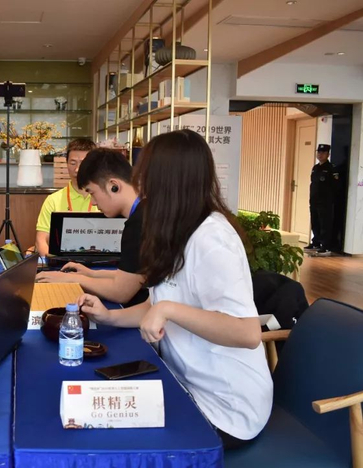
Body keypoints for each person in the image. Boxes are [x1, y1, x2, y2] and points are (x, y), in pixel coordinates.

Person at [77, 130, 272, 449]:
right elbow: (159, 301)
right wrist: (109, 317)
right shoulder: (175, 231)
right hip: (183, 384)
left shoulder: (212, 239)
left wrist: (168, 310)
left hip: (225, 408)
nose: (140, 188)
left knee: (109, 437)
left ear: (167, 182)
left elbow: (247, 333)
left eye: (145, 178)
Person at [36, 148, 148, 308]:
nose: (93, 202)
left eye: (92, 193)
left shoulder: (138, 224)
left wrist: (71, 279)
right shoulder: (145, 211)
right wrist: (92, 274)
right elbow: (134, 276)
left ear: (113, 186)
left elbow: (121, 291)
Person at [35, 138, 98, 257]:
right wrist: (55, 262)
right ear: (66, 163)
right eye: (73, 163)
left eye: (83, 163)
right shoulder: (53, 200)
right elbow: (41, 240)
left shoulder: (105, 199)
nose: (77, 169)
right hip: (61, 263)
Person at [305, 144, 338, 257]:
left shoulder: (331, 168)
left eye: (323, 153)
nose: (320, 155)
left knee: (325, 224)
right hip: (314, 200)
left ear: (328, 154)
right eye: (319, 152)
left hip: (325, 202)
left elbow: (335, 186)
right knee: (315, 222)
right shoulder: (315, 168)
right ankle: (316, 243)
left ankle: (326, 246)